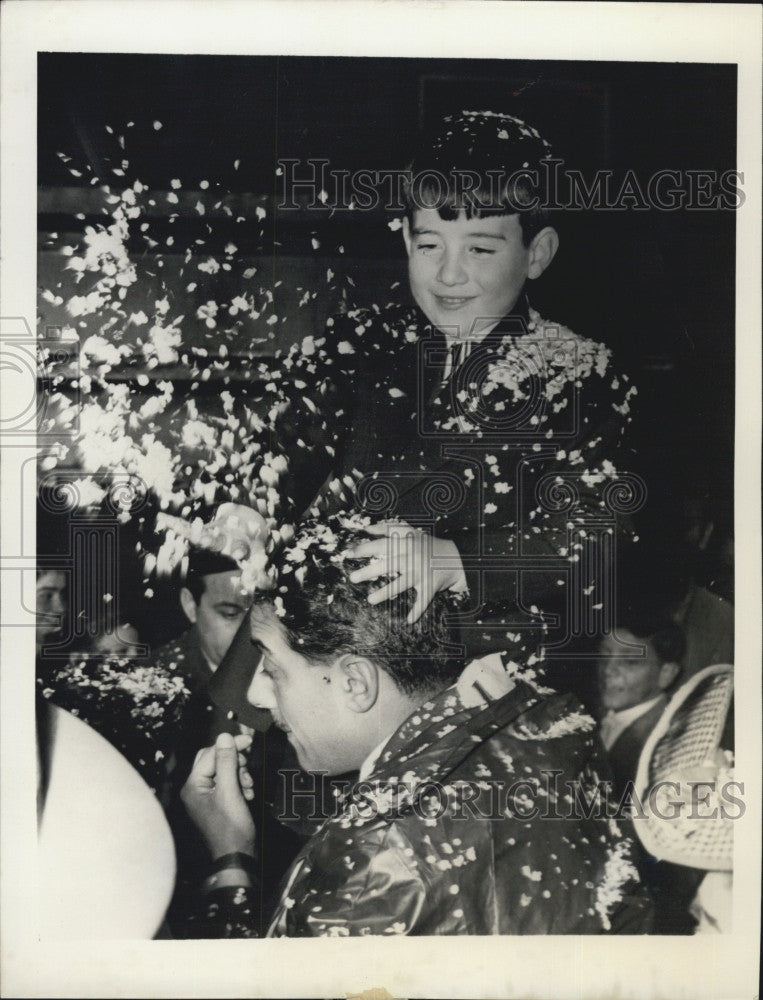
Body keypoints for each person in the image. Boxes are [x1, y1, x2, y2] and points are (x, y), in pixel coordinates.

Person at [180, 519, 651, 937]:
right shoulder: (548, 719)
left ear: (355, 683)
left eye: (270, 666)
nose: (256, 695)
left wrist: (231, 861)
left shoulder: (375, 867)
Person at [597, 614, 684, 798]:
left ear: (666, 674)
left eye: (629, 662)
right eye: (604, 656)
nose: (608, 669)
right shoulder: (597, 711)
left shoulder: (664, 744)